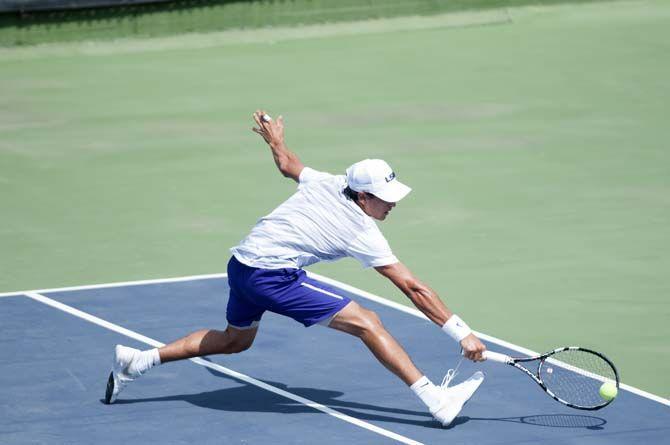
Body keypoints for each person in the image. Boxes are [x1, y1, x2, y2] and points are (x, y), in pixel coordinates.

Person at [104, 110, 488, 427]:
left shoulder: (329, 183)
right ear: (364, 196)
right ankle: (436, 400)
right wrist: (462, 334)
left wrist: (275, 138)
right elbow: (413, 288)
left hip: (240, 266)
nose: (392, 205)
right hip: (270, 275)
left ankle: (138, 361)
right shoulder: (360, 231)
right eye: (385, 199)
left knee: (235, 341)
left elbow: (288, 165)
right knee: (368, 322)